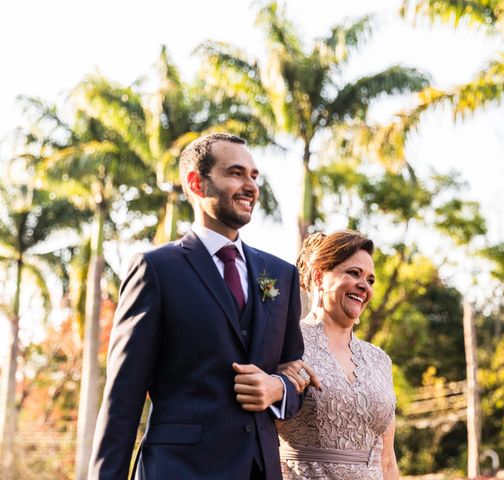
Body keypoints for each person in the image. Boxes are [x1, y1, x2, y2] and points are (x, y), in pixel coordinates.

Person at [89, 133, 312, 480]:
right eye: (236, 173)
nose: (250, 186)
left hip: (259, 470)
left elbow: (295, 374)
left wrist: (277, 387)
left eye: (254, 176)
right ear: (196, 182)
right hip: (179, 469)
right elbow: (123, 398)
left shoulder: (280, 274)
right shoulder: (156, 269)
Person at [276, 231, 400, 480]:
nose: (364, 285)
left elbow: (387, 460)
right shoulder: (283, 343)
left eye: (370, 280)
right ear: (319, 276)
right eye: (353, 273)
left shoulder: (379, 361)